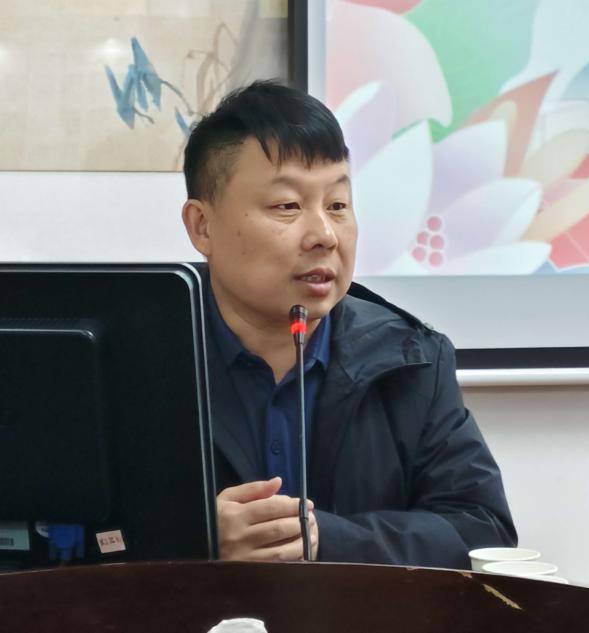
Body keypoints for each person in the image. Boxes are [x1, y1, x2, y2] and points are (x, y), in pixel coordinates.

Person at [181, 80, 517, 568]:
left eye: (337, 205)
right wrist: (193, 542)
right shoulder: (140, 362)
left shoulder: (412, 361)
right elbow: (69, 540)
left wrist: (328, 540)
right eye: (287, 206)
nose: (324, 235)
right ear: (202, 226)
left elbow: (484, 532)